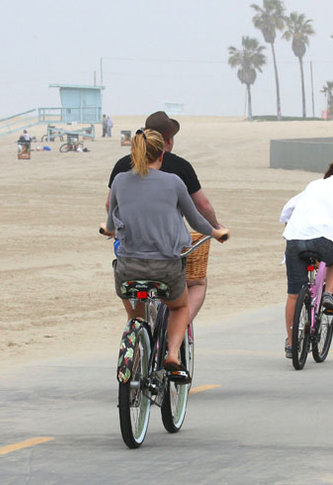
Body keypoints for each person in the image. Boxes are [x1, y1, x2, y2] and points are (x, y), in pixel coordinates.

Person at [105, 129, 229, 382]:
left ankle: (136, 344)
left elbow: (110, 223)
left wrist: (110, 230)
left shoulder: (119, 181)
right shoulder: (173, 182)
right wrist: (216, 232)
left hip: (127, 268)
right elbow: (197, 220)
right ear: (162, 154)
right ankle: (172, 355)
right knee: (180, 306)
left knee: (136, 313)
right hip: (165, 269)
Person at [107, 111, 227, 325]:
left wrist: (117, 229)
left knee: (135, 296)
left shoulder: (122, 166)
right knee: (197, 282)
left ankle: (138, 326)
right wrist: (216, 227)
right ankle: (178, 327)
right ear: (168, 141)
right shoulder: (180, 168)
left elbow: (110, 205)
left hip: (130, 252)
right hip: (167, 251)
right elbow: (202, 206)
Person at [280, 156, 333, 358]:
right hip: (324, 239)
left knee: (293, 295)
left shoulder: (313, 185)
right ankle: (327, 293)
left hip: (294, 239)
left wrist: (294, 227)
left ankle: (291, 344)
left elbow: (287, 211)